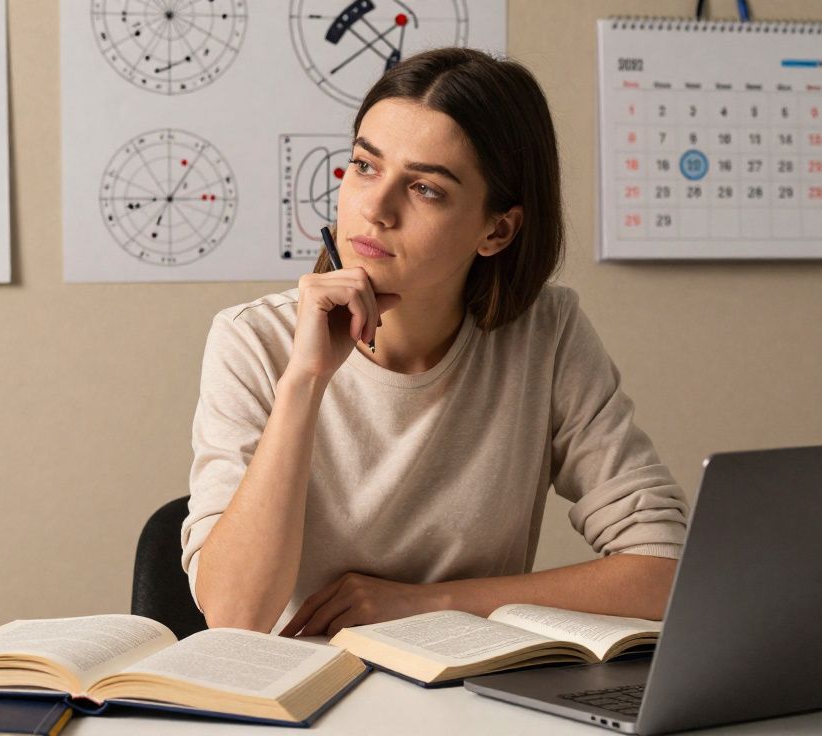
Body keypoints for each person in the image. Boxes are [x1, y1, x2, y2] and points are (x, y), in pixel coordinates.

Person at [181, 47, 690, 637]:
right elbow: (235, 617)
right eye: (365, 167)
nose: (375, 208)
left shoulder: (546, 333)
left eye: (425, 189)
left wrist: (429, 602)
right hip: (297, 703)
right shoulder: (252, 341)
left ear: (496, 231)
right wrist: (305, 380)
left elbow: (665, 572)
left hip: (471, 699)